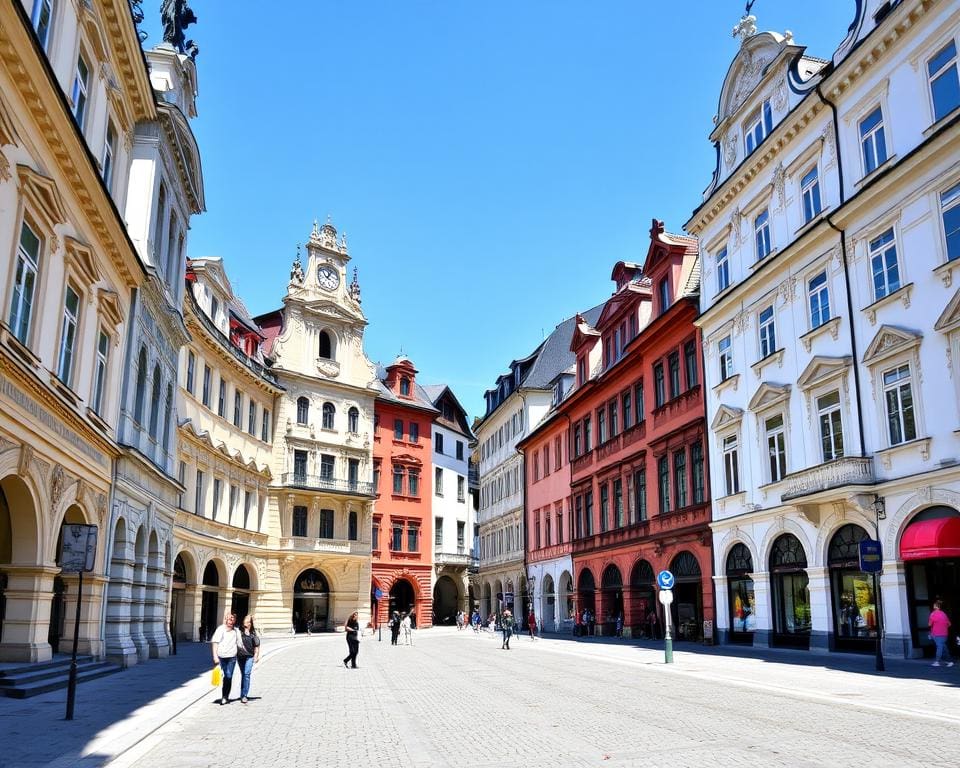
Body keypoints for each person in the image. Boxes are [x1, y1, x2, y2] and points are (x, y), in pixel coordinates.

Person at [211, 611, 241, 705]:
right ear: (226, 619)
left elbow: (240, 644)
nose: (230, 620)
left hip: (232, 657)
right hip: (221, 657)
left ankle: (225, 697)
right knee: (225, 676)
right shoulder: (221, 629)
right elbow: (215, 642)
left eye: (232, 619)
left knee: (228, 676)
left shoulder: (236, 631)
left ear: (234, 620)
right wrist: (215, 657)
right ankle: (225, 696)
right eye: (228, 618)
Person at [237, 614, 261, 703]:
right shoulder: (239, 630)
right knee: (243, 674)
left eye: (248, 621)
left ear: (251, 623)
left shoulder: (253, 633)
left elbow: (257, 646)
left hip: (249, 656)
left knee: (246, 674)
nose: (246, 622)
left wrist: (256, 656)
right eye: (245, 620)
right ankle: (242, 694)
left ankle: (244, 695)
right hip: (240, 656)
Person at [929, 600, 954, 667]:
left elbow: (929, 624)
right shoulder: (944, 614)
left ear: (936, 606)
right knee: (944, 647)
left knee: (940, 647)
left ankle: (937, 661)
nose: (933, 606)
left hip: (936, 633)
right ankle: (949, 661)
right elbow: (949, 624)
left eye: (934, 605)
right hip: (944, 633)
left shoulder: (933, 614)